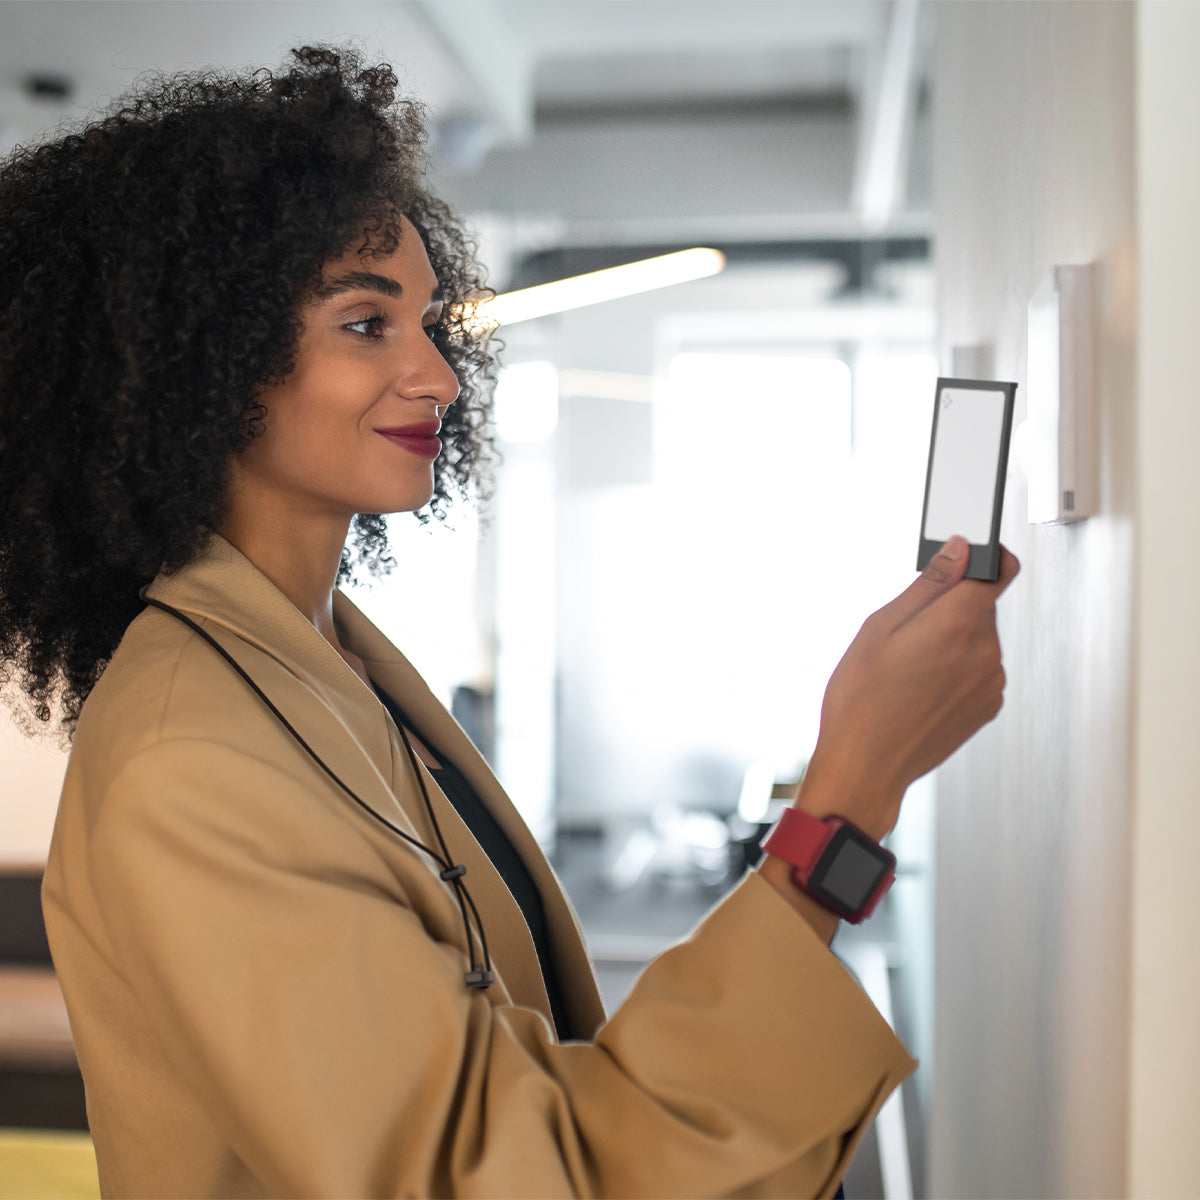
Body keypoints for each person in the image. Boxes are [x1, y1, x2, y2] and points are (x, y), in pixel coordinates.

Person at [0, 46, 1017, 1199]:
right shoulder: (191, 757)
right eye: (368, 323)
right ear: (203, 359)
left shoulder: (328, 667)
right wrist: (849, 798)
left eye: (430, 322)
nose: (438, 374)